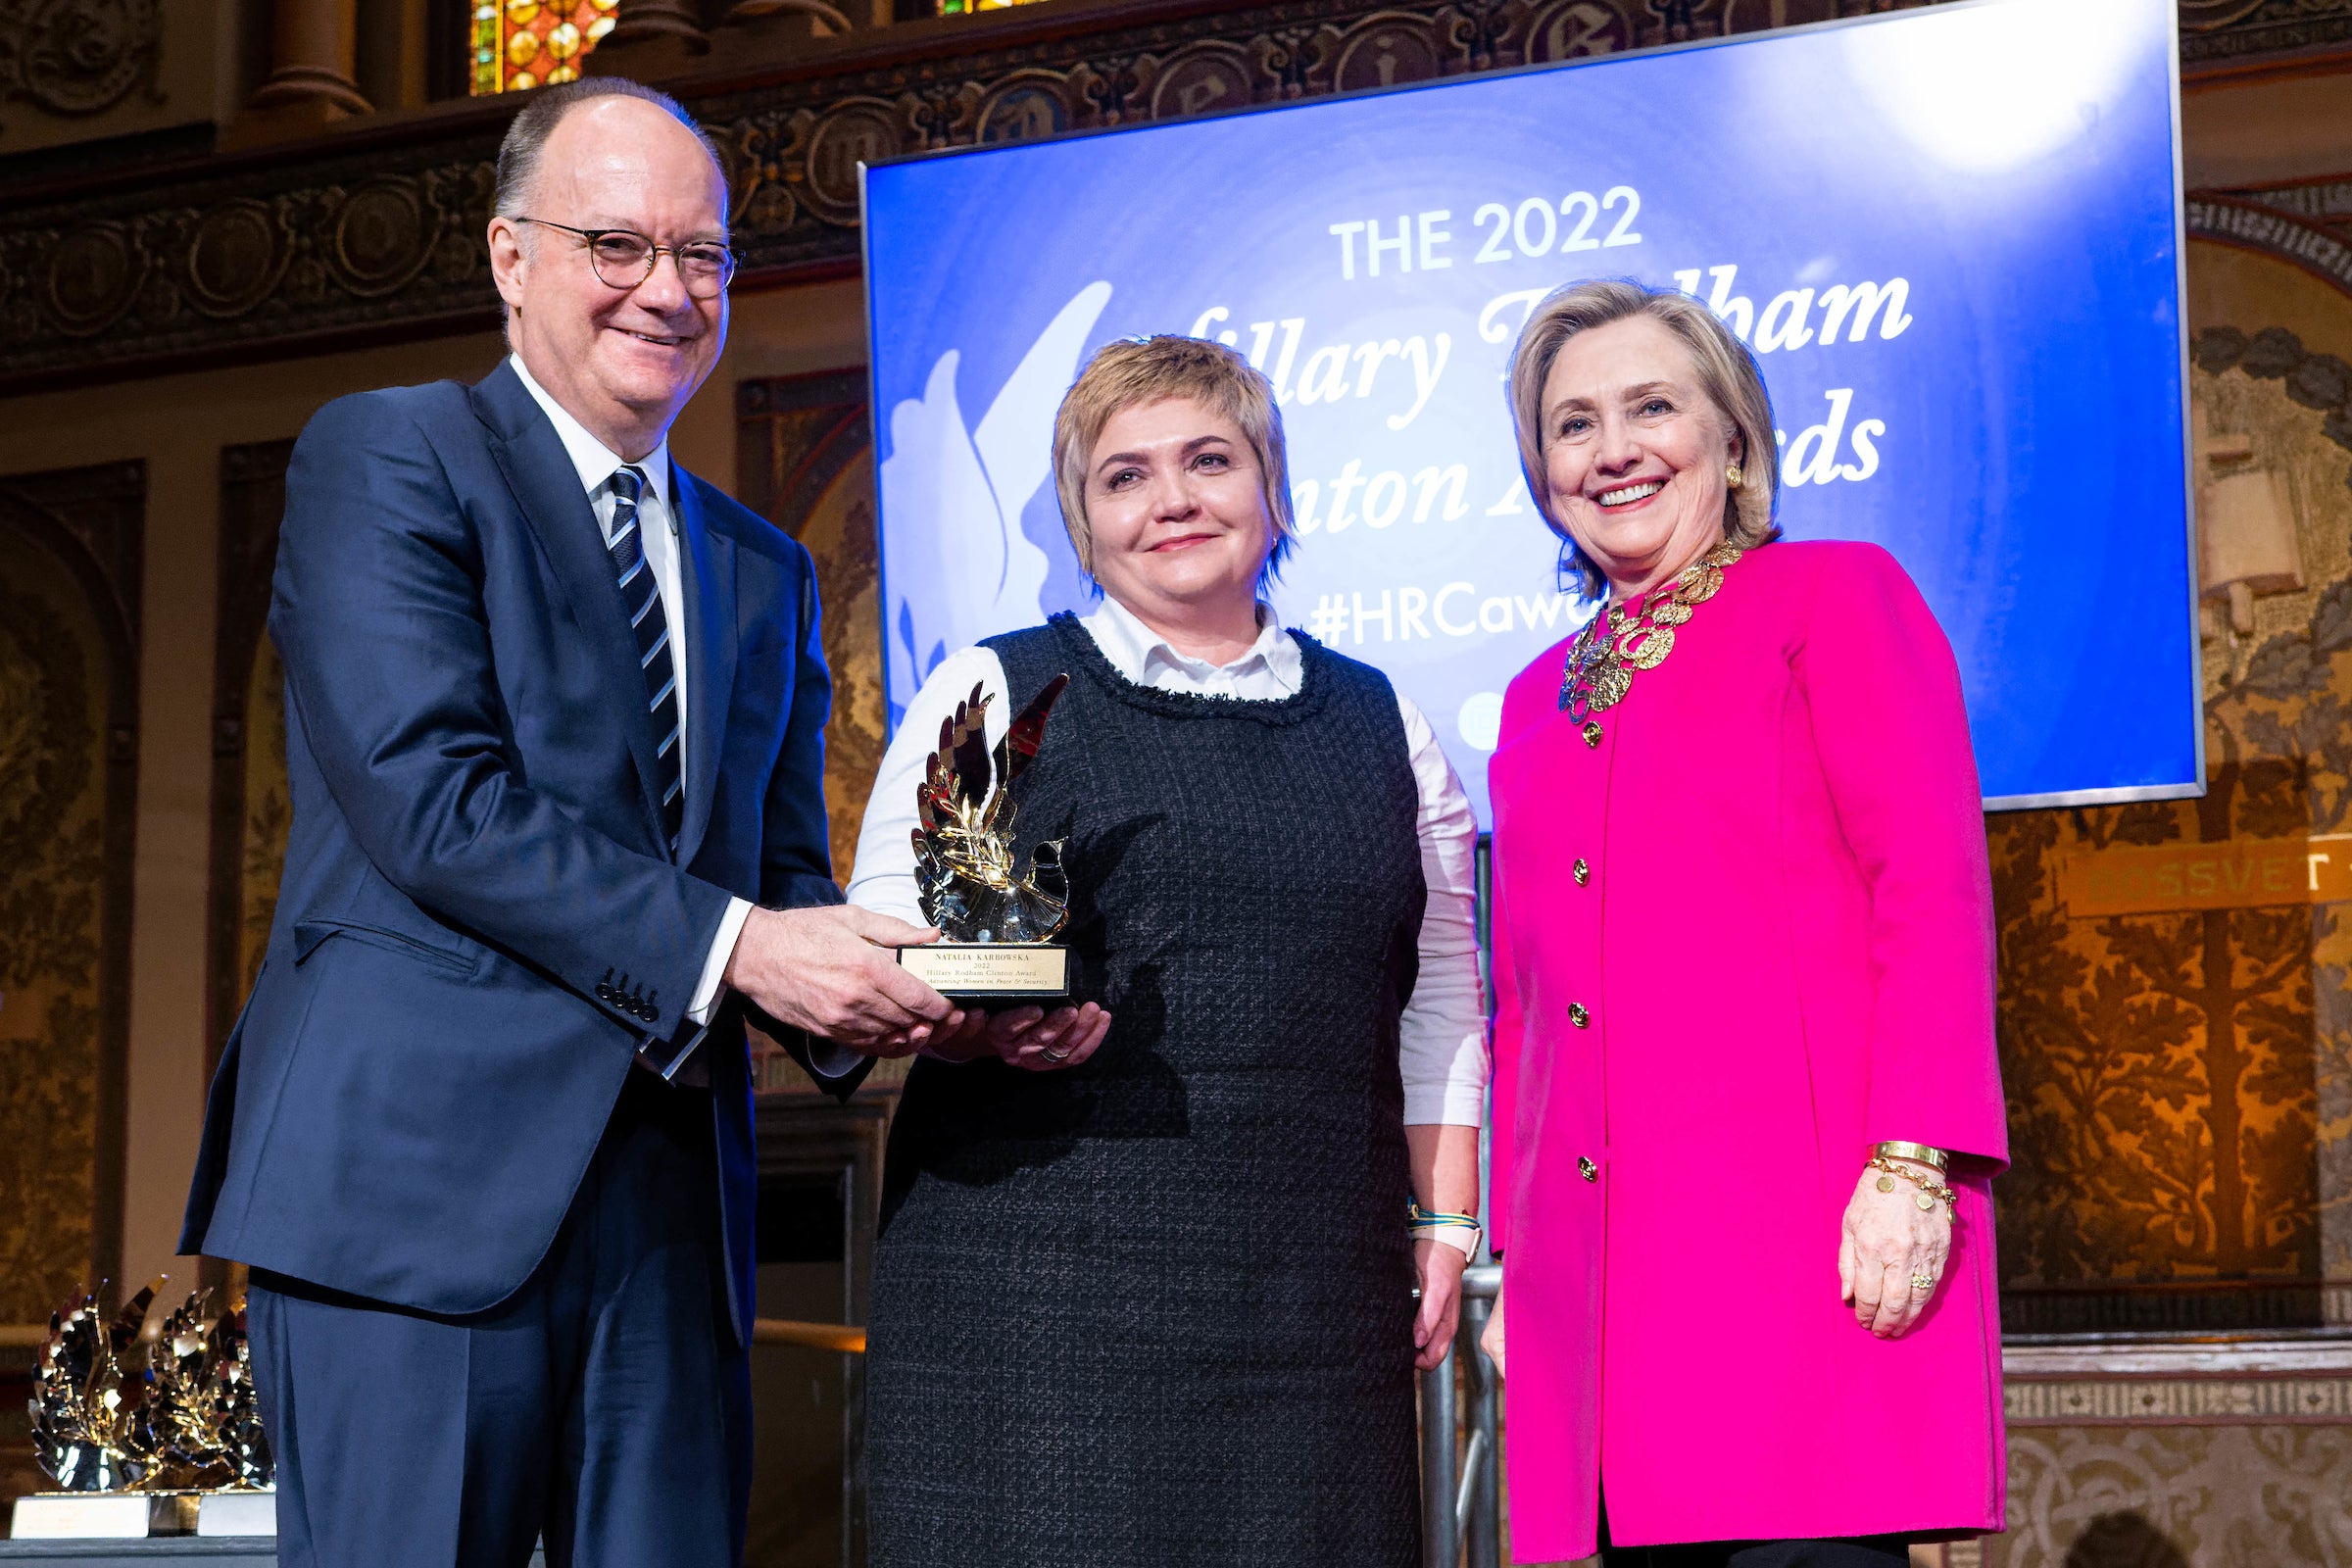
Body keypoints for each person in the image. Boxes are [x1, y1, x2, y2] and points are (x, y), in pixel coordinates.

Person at [179, 78, 967, 1568]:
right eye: (618, 244)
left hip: (669, 1226)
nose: (666, 292)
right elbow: (437, 803)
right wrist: (748, 947)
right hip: (412, 1213)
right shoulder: (391, 455)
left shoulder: (762, 568)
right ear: (509, 257)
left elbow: (778, 880)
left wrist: (918, 989)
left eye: (703, 256)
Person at [850, 335, 1489, 1568]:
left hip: (1310, 1313)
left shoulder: (1383, 722)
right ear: (1083, 524)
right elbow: (892, 952)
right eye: (1124, 476)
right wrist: (992, 1023)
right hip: (1030, 1314)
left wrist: (1445, 1224)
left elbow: (1442, 994)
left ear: (1274, 488)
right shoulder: (991, 693)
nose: (1174, 499)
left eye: (1210, 458)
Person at [1479, 280, 2007, 1566]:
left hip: (1800, 1265)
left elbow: (1928, 888)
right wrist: (1510, 1258)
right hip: (1596, 1313)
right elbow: (1525, 1011)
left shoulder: (1833, 599)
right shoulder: (1532, 700)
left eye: (1650, 407)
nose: (1611, 449)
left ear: (1734, 438)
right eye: (1571, 424)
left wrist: (1917, 1161)